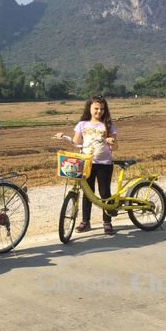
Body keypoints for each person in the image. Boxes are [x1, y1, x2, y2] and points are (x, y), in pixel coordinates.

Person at [55, 95, 118, 234]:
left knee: (105, 193)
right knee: (87, 193)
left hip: (105, 163)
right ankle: (85, 222)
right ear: (89, 108)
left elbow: (115, 146)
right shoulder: (82, 124)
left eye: (101, 109)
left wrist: (111, 141)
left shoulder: (107, 124)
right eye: (96, 108)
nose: (99, 111)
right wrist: (63, 138)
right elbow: (75, 144)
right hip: (87, 164)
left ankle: (107, 222)